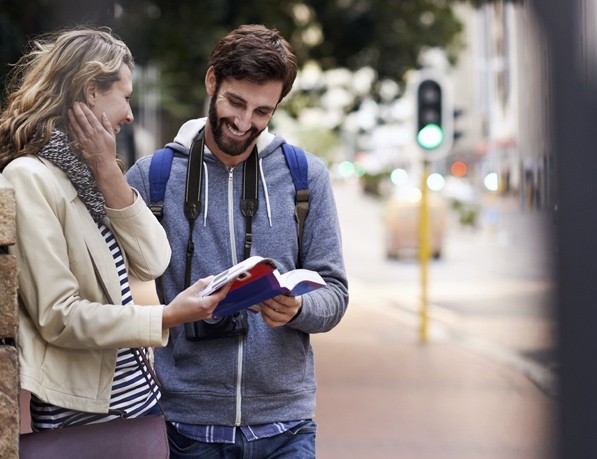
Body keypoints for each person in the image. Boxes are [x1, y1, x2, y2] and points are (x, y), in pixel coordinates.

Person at [126, 24, 349, 457]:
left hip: (286, 427)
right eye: (236, 102)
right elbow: (112, 288)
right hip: (187, 429)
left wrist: (299, 309)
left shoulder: (305, 177)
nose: (245, 123)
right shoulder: (153, 178)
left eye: (263, 112)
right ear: (213, 81)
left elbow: (336, 293)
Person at [0, 28, 231, 431]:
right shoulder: (29, 178)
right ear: (91, 90)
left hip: (137, 403)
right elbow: (60, 316)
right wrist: (165, 317)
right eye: (124, 96)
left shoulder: (90, 173)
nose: (129, 114)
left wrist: (108, 171)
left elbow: (154, 259)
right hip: (86, 418)